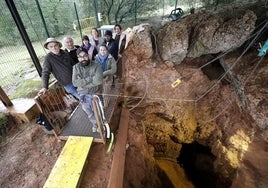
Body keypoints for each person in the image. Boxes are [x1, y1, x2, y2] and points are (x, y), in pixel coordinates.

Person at [72, 47, 103, 132]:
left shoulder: (96, 65)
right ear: (78, 58)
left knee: (98, 110)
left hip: (95, 92)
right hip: (83, 95)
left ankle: (101, 124)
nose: (83, 58)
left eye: (85, 56)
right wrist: (90, 79)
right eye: (80, 57)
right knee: (89, 112)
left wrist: (82, 83)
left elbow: (99, 80)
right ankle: (95, 124)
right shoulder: (75, 67)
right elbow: (75, 83)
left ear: (88, 56)